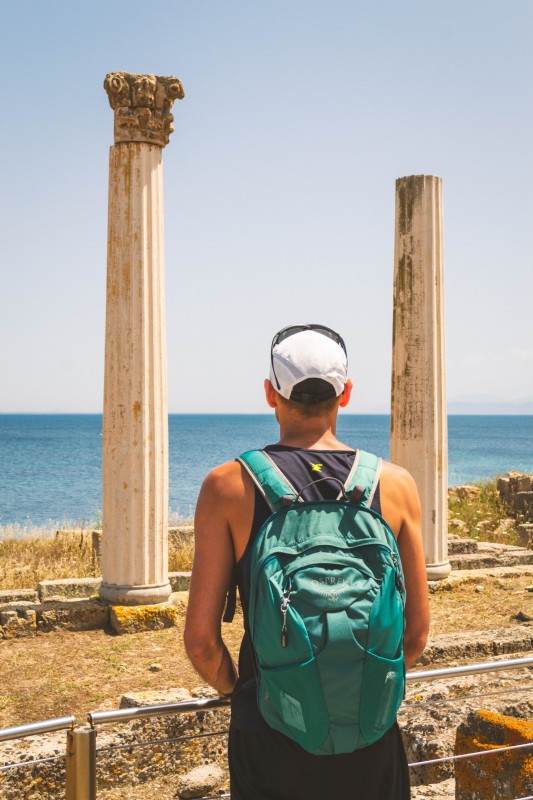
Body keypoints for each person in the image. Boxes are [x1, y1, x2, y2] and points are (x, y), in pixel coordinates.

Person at [184, 324, 430, 800]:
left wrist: (247, 693)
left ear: (270, 394)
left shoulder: (228, 486)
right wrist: (359, 688)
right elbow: (415, 636)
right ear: (347, 394)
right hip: (370, 734)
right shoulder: (396, 484)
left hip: (269, 737)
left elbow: (200, 643)